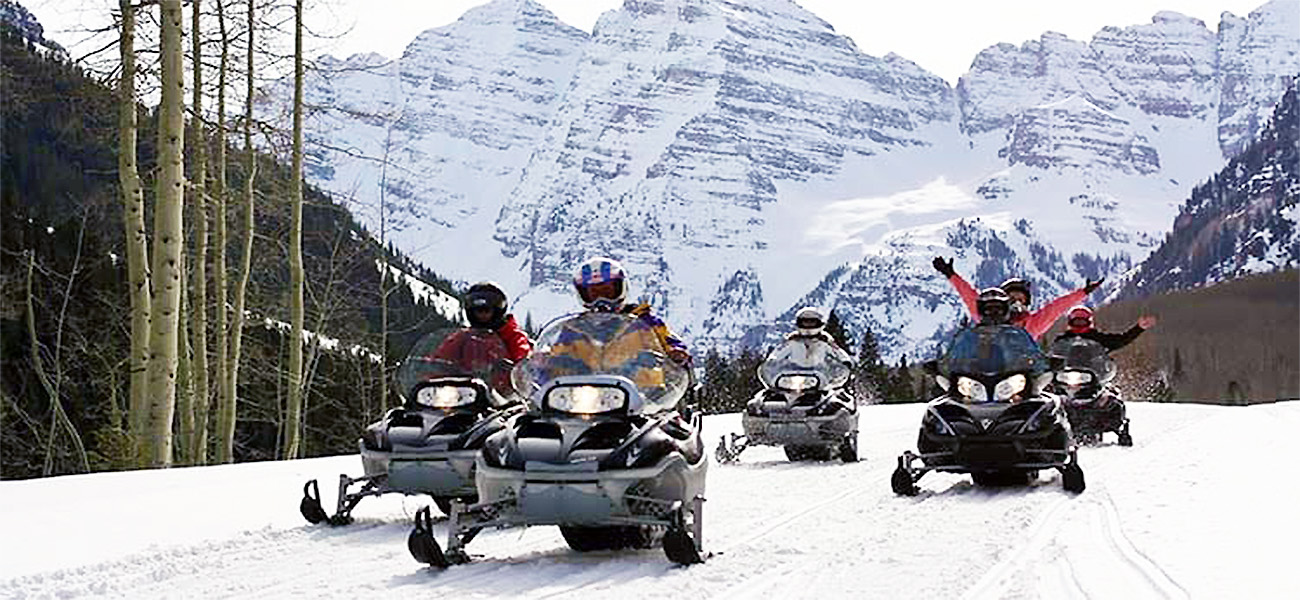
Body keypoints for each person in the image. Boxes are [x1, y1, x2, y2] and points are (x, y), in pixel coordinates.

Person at [932, 256, 1103, 340]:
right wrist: (951, 275)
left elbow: (1057, 307)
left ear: (1027, 302)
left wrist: (1083, 292)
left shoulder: (1033, 324)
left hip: (1020, 374)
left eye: (1020, 298)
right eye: (1011, 297)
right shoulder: (986, 316)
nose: (1016, 302)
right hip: (984, 370)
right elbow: (970, 296)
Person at [572, 256, 691, 366]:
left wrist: (676, 353)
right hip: (588, 387)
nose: (602, 300)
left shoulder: (646, 322)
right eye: (594, 295)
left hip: (645, 386)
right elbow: (559, 354)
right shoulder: (576, 328)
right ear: (583, 296)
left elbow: (670, 341)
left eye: (608, 293)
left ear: (621, 289)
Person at [430, 281, 532, 385]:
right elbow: (439, 360)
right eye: (478, 311)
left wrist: (517, 367)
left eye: (486, 311)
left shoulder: (512, 335)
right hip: (466, 392)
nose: (482, 315)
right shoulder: (462, 337)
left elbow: (523, 358)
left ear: (497, 311)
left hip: (505, 395)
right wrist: (432, 378)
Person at [766, 306, 852, 370]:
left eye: (812, 322)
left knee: (838, 393)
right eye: (805, 322)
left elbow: (837, 351)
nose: (808, 325)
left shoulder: (825, 340)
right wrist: (772, 361)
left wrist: (845, 361)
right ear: (799, 323)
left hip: (820, 376)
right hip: (794, 376)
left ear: (819, 323)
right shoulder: (793, 340)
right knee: (766, 394)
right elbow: (778, 352)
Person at [1054, 305, 1156, 353]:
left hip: (1093, 373)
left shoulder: (1097, 337)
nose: (1079, 325)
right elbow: (1053, 354)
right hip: (1065, 375)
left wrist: (1138, 328)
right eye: (1077, 322)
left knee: (1107, 392)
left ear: (1089, 322)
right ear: (1070, 322)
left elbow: (1122, 340)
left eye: (1083, 322)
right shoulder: (1062, 339)